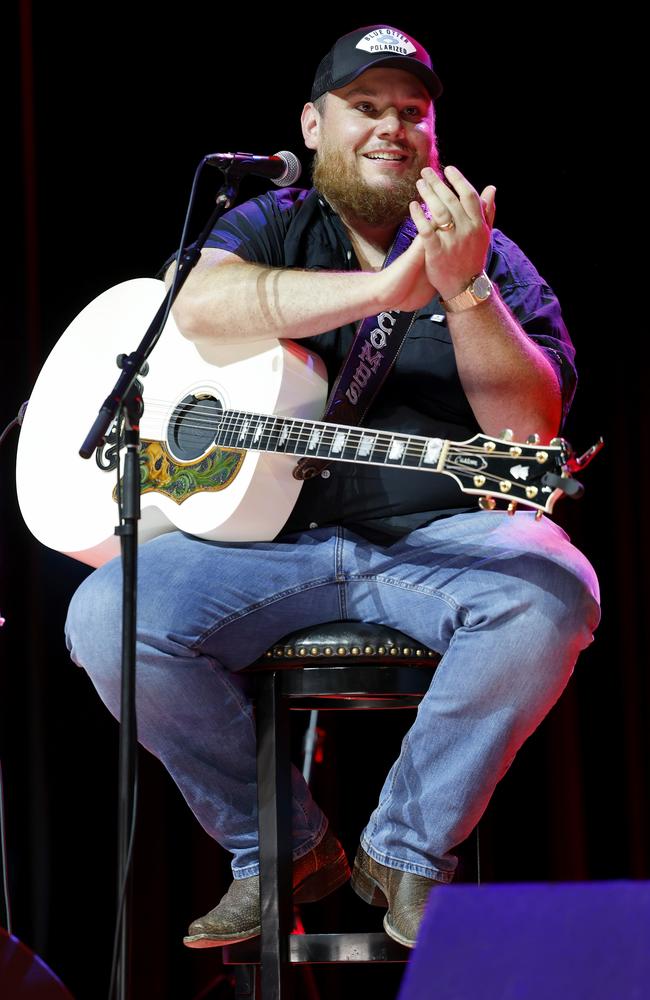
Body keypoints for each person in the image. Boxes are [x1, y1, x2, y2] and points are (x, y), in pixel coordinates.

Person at [65, 24, 600, 950]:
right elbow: (195, 303)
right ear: (313, 125)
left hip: (439, 543)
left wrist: (463, 292)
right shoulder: (267, 224)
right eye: (365, 107)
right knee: (105, 617)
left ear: (434, 138)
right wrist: (386, 291)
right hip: (267, 548)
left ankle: (405, 851)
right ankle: (281, 849)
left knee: (555, 590)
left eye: (412, 112)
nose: (391, 127)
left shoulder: (491, 260)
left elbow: (527, 432)